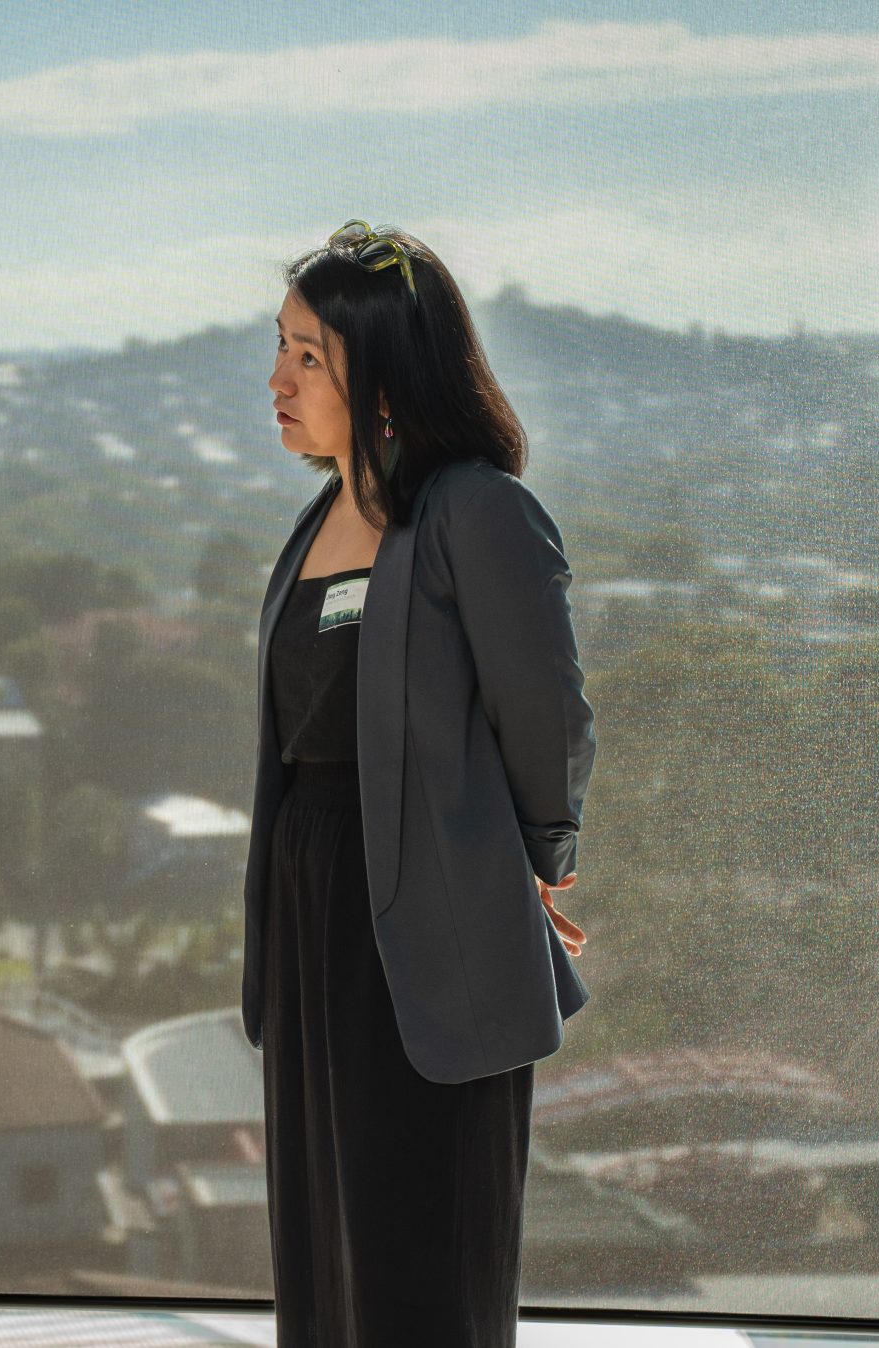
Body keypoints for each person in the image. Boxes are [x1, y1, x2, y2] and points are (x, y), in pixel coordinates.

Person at [246, 222, 595, 1344]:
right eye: (283, 349)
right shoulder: (315, 521)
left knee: (422, 1254)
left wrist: (535, 859)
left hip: (428, 908)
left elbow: (547, 715)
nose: (280, 379)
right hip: (313, 910)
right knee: (326, 1250)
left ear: (385, 373)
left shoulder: (475, 510)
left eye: (310, 356)